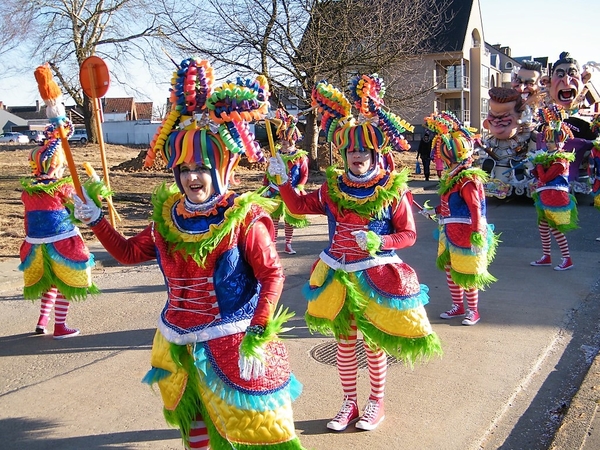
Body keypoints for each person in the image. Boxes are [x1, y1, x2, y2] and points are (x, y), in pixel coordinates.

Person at [74, 58, 305, 450]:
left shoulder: (244, 217)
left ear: (221, 166)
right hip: (177, 342)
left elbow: (271, 275)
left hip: (232, 339)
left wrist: (258, 330)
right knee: (194, 431)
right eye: (183, 168)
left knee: (244, 436)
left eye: (201, 167)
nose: (191, 177)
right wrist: (97, 220)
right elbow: (130, 253)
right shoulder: (170, 217)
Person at [269, 74, 442, 432]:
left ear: (376, 153)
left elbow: (408, 234)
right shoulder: (334, 188)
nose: (356, 155)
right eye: (350, 150)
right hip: (338, 274)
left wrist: (381, 242)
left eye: (363, 150)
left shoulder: (392, 189)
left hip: (376, 275)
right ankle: (349, 402)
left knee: (374, 344)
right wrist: (282, 182)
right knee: (345, 343)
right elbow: (299, 207)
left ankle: (375, 404)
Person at [19, 121, 98, 338]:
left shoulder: (28, 192)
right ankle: (60, 327)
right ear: (56, 165)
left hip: (35, 246)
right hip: (63, 243)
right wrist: (95, 187)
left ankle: (42, 321)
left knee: (49, 283)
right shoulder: (61, 188)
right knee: (65, 283)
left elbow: (28, 218)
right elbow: (81, 209)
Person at [421, 111, 500, 326]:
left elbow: (475, 207)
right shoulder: (455, 176)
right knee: (450, 268)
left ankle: (473, 310)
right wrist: (434, 211)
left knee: (469, 273)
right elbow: (450, 204)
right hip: (449, 232)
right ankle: (458, 306)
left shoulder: (468, 178)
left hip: (466, 234)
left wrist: (477, 233)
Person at [529, 105, 578, 271]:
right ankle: (546, 256)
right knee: (543, 226)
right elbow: (538, 176)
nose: (549, 144)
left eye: (552, 141)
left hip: (556, 197)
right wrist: (535, 168)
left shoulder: (561, 160)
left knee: (555, 228)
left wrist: (539, 165)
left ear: (561, 142)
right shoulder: (549, 157)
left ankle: (567, 259)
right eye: (547, 140)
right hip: (545, 196)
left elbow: (546, 177)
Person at [262, 107, 309, 255]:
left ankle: (288, 244)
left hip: (291, 190)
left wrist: (300, 186)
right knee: (274, 219)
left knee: (290, 220)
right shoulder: (275, 155)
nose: (284, 142)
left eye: (287, 140)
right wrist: (264, 185)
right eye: (282, 140)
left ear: (293, 140)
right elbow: (268, 172)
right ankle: (273, 244)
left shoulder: (301, 157)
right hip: (274, 190)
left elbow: (304, 174)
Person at [479, 87, 533, 198]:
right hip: (496, 163)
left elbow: (526, 135)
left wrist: (526, 124)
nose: (497, 121)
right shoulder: (492, 140)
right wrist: (481, 148)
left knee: (519, 166)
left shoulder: (518, 139)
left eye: (504, 117)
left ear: (520, 118)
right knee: (487, 163)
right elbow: (485, 145)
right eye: (493, 116)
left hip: (512, 162)